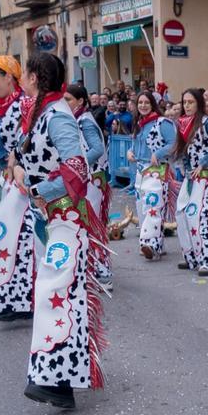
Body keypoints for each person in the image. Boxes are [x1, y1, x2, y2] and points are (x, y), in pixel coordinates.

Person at [17, 52, 104, 410]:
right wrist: (20, 172)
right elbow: (30, 156)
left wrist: (41, 189)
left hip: (67, 215)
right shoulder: (40, 113)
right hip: (51, 216)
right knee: (59, 292)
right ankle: (58, 378)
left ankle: (56, 379)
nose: (21, 77)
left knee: (55, 291)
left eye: (25, 72)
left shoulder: (58, 116)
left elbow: (77, 165)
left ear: (35, 77)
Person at [0, 55, 35, 322]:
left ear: (9, 77)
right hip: (4, 181)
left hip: (20, 180)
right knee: (4, 238)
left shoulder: (22, 105)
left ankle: (23, 300)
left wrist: (17, 163)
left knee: (18, 240)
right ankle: (7, 298)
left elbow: (30, 140)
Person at [64, 82, 113, 291]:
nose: (65, 103)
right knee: (85, 224)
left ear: (80, 101)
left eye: (68, 99)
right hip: (87, 179)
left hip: (92, 180)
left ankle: (103, 272)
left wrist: (79, 165)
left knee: (93, 224)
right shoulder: (77, 119)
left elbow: (97, 148)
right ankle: (92, 269)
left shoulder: (85, 121)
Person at [171, 88, 208, 277]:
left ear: (199, 103)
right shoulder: (184, 124)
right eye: (184, 102)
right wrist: (186, 167)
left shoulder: (207, 123)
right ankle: (191, 255)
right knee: (181, 212)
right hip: (191, 175)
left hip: (205, 174)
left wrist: (204, 162)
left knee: (200, 216)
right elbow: (185, 150)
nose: (187, 106)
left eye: (191, 102)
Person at [127, 91, 177, 260]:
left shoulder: (163, 123)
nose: (143, 106)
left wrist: (159, 153)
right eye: (140, 102)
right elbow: (135, 145)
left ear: (153, 104)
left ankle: (148, 243)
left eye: (146, 102)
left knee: (153, 206)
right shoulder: (139, 123)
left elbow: (174, 143)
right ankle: (157, 245)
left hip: (157, 170)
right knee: (142, 208)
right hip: (140, 171)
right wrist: (130, 152)